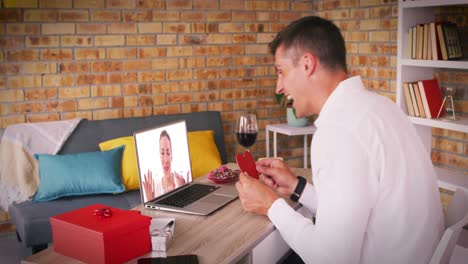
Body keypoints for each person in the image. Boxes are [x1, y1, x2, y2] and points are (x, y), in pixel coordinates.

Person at [235, 16, 444, 264]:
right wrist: (296, 187)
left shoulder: (339, 131)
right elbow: (353, 210)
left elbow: (331, 259)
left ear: (307, 64)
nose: (278, 87)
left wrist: (270, 205)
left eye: (281, 72)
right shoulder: (380, 107)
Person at [143, 130, 189, 201]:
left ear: (172, 156)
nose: (166, 160)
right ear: (159, 156)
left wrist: (184, 193)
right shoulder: (154, 186)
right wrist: (150, 201)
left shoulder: (181, 181)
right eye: (162, 153)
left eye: (168, 153)